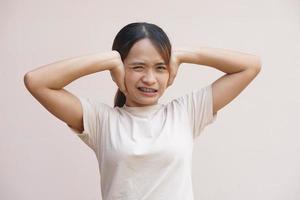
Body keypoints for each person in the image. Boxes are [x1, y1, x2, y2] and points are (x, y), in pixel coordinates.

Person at [24, 22, 261, 200]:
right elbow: (36, 81)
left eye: (160, 68)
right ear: (118, 70)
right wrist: (108, 60)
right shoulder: (101, 121)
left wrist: (186, 54)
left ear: (171, 71)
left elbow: (250, 66)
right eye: (138, 67)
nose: (150, 79)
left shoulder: (186, 112)